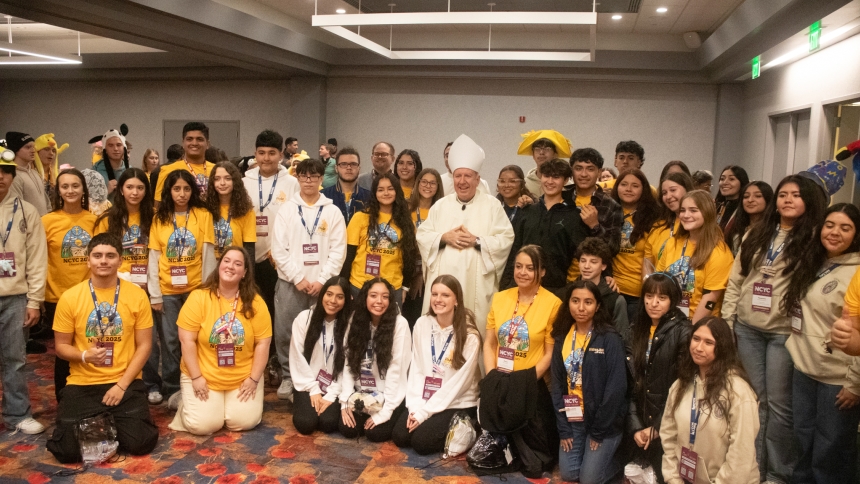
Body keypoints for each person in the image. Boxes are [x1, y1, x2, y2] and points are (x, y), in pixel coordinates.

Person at [723, 174, 825, 483]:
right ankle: (754, 467)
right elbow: (736, 281)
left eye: (796, 195)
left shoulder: (814, 238)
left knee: (780, 407)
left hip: (784, 332)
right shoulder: (756, 233)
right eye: (783, 194)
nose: (788, 200)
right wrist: (728, 320)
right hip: (747, 328)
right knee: (756, 401)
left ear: (808, 201)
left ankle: (777, 474)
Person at [46, 233, 158, 462]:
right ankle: (108, 423)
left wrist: (121, 385)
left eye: (110, 256)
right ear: (88, 261)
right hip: (83, 382)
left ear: (120, 261)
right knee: (65, 452)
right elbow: (61, 347)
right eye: (97, 256)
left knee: (141, 443)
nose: (103, 261)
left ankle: (100, 424)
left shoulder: (137, 296)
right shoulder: (70, 297)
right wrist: (84, 356)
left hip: (124, 381)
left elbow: (145, 345)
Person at [786, 204, 860, 484]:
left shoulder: (857, 272)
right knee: (802, 442)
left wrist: (855, 383)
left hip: (838, 378)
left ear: (856, 234)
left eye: (845, 228)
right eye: (830, 225)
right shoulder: (814, 261)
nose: (835, 232)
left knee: (830, 453)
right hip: (804, 369)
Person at [416, 134, 514, 334]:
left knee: (473, 332)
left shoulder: (492, 205)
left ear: (477, 179)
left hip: (476, 285)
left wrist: (477, 241)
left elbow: (506, 238)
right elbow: (423, 235)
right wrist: (444, 237)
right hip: (443, 282)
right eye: (457, 176)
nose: (462, 181)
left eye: (468, 176)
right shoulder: (440, 205)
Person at [169, 247, 271, 435]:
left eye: (238, 264)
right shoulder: (199, 297)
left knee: (243, 422)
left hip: (242, 377)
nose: (231, 266)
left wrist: (253, 379)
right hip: (204, 375)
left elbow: (263, 344)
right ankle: (184, 402)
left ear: (244, 273)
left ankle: (218, 406)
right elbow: (186, 340)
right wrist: (196, 378)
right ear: (219, 265)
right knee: (203, 425)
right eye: (227, 261)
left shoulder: (256, 302)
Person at [271, 158, 346, 402]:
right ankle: (288, 376)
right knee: (286, 332)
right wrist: (298, 277)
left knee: (320, 334)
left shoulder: (332, 212)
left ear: (321, 179)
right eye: (304, 176)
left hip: (322, 287)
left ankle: (316, 376)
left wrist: (323, 281)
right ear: (298, 178)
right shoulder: (287, 210)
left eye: (314, 176)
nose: (309, 180)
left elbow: (338, 251)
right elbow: (278, 249)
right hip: (291, 284)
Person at [660, 317, 759, 484]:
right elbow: (669, 438)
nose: (699, 348)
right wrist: (673, 479)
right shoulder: (680, 386)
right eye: (696, 339)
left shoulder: (738, 392)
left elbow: (741, 456)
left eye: (708, 342)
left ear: (722, 347)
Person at [147, 169, 216, 409]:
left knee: (197, 339)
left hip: (196, 289)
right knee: (170, 341)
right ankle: (172, 388)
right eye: (176, 189)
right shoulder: (159, 218)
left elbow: (208, 254)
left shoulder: (203, 215)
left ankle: (197, 383)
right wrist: (155, 294)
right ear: (169, 191)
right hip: (167, 291)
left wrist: (207, 290)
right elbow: (154, 258)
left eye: (186, 189)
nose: (182, 194)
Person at [393, 275, 481, 454]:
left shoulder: (469, 335)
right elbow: (417, 369)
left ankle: (469, 428)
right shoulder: (422, 324)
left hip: (456, 400)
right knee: (400, 436)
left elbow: (459, 384)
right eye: (434, 294)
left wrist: (424, 413)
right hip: (426, 396)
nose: (438, 299)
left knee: (421, 443)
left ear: (457, 300)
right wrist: (416, 407)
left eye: (445, 295)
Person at [94, 168, 161, 403]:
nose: (135, 192)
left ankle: (151, 383)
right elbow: (99, 253)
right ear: (121, 189)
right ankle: (122, 381)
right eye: (130, 187)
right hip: (118, 286)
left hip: (149, 286)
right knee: (120, 336)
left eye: (140, 188)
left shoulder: (156, 217)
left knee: (149, 339)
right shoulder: (107, 219)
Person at [550, 280, 627, 484]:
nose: (581, 308)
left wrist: (598, 431)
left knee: (589, 480)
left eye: (588, 302)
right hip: (573, 417)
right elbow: (557, 385)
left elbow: (616, 388)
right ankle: (591, 460)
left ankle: (625, 461)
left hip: (603, 421)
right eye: (575, 301)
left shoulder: (609, 338)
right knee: (569, 474)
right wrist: (564, 428)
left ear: (598, 306)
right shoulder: (562, 336)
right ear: (568, 303)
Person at [627, 273, 691, 483]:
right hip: (639, 420)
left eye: (662, 298)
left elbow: (683, 388)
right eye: (649, 296)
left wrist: (657, 428)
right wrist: (636, 426)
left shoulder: (684, 333)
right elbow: (630, 384)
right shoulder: (635, 329)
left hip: (669, 423)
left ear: (673, 300)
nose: (653, 303)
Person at [0, 156, 48, 434]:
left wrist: (34, 300)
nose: (0, 177)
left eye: (5, 172)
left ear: (12, 176)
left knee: (15, 360)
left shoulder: (26, 211)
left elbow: (37, 259)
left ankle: (17, 414)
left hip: (16, 298)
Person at [43, 168, 98, 398]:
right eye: (64, 186)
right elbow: (39, 259)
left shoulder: (94, 221)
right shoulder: (47, 221)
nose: (70, 190)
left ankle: (90, 397)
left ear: (83, 189)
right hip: (57, 297)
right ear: (58, 191)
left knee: (90, 346)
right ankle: (64, 399)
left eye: (75, 185)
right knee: (64, 352)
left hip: (90, 295)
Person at [338, 278, 412, 441]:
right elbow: (348, 361)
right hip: (362, 392)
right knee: (348, 429)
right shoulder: (356, 319)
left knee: (375, 434)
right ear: (365, 298)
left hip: (388, 395)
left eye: (385, 297)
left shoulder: (400, 324)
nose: (379, 301)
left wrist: (386, 411)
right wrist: (346, 401)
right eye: (373, 295)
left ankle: (393, 412)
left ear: (391, 300)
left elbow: (396, 370)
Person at [501, 158, 587, 294]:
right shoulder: (527, 211)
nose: (550, 181)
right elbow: (514, 250)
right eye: (546, 176)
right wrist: (506, 285)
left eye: (556, 177)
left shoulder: (574, 216)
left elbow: (580, 255)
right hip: (521, 286)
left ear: (565, 180)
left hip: (555, 289)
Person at [242, 130, 299, 326]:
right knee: (251, 307)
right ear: (255, 154)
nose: (266, 158)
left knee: (277, 310)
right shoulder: (243, 183)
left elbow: (296, 221)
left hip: (277, 258)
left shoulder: (292, 184)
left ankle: (275, 345)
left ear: (281, 155)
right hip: (249, 254)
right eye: (261, 153)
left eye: (272, 153)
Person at [656, 190, 734, 321]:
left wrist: (691, 329)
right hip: (668, 319)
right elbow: (659, 280)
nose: (686, 215)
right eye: (683, 210)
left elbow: (710, 299)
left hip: (699, 323)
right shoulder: (672, 243)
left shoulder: (719, 252)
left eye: (693, 210)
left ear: (707, 213)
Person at [343, 172, 418, 307]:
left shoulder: (406, 222)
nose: (386, 193)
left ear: (397, 191)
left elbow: (409, 257)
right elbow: (348, 255)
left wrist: (405, 287)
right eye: (381, 189)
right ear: (374, 193)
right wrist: (343, 285)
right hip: (359, 286)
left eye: (390, 189)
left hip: (392, 288)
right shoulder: (360, 217)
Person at [486, 245, 560, 377]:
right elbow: (490, 344)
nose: (522, 272)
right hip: (499, 377)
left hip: (531, 380)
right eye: (518, 266)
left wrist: (524, 382)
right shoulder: (499, 298)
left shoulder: (553, 304)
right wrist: (491, 376)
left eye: (530, 268)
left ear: (542, 271)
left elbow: (550, 354)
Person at [290, 276, 351, 435]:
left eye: (340, 297)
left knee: (328, 423)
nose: (333, 301)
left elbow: (348, 364)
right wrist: (313, 389)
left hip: (335, 385)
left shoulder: (349, 325)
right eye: (329, 294)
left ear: (346, 300)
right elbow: (297, 356)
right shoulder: (304, 318)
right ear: (322, 294)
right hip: (307, 382)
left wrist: (332, 394)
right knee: (305, 423)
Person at [564, 148, 623, 282]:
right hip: (560, 278)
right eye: (578, 168)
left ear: (599, 172)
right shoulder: (561, 197)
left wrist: (595, 226)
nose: (584, 174)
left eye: (590, 169)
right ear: (571, 171)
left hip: (594, 281)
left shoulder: (610, 205)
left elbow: (613, 249)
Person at [610, 169, 661, 324]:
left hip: (639, 294)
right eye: (624, 184)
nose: (628, 189)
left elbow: (651, 258)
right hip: (613, 290)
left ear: (643, 189)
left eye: (635, 186)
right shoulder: (608, 211)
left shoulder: (654, 217)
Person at [402, 168, 444, 327]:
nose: (428, 186)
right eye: (424, 182)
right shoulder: (405, 208)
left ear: (438, 186)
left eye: (433, 183)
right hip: (403, 270)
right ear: (417, 183)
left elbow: (439, 245)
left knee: (420, 318)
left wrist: (421, 274)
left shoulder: (441, 212)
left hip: (428, 272)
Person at [576, 237, 629, 338]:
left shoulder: (616, 300)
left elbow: (622, 337)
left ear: (603, 266)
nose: (586, 266)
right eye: (583, 261)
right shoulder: (567, 293)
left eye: (593, 262)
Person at [643, 172, 694, 275]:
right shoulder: (657, 227)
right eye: (664, 193)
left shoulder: (697, 226)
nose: (668, 196)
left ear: (687, 189)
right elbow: (647, 262)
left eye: (673, 190)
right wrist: (647, 281)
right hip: (658, 283)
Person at [205, 162, 257, 261]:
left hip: (233, 264)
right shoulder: (205, 209)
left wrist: (248, 270)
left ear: (235, 181)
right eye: (217, 179)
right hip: (210, 264)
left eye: (227, 178)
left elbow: (249, 248)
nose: (222, 183)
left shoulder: (246, 211)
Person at [155, 122, 214, 203]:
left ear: (207, 144)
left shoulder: (217, 170)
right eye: (189, 139)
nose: (194, 143)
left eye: (199, 139)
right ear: (183, 143)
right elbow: (159, 205)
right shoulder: (168, 170)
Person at [321, 147, 371, 227]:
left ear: (359, 168)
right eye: (343, 164)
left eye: (353, 164)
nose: (349, 168)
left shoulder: (370, 197)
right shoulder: (323, 196)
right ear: (336, 168)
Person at [516, 129, 573, 197]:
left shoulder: (567, 185)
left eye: (547, 149)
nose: (541, 153)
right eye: (537, 149)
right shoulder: (525, 184)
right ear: (533, 155)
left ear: (555, 154)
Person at [6, 131, 50, 216]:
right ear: (16, 150)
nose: (33, 151)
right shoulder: (14, 176)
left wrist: (50, 218)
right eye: (28, 147)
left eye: (33, 147)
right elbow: (17, 209)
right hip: (30, 223)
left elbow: (46, 202)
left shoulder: (34, 173)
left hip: (45, 222)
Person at [724, 181, 773, 255]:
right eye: (746, 196)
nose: (750, 200)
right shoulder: (736, 227)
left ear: (768, 199)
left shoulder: (773, 230)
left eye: (758, 196)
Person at [93, 129, 130, 198]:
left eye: (119, 145)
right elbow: (90, 199)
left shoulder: (130, 171)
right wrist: (106, 191)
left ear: (124, 148)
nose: (115, 149)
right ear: (105, 149)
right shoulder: (95, 171)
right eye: (110, 145)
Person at [714, 165, 750, 232]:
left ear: (742, 182)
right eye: (722, 179)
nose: (725, 183)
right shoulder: (718, 207)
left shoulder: (746, 209)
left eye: (731, 179)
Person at [34, 133, 68, 202]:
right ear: (37, 152)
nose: (51, 153)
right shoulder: (30, 174)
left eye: (54, 151)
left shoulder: (59, 175)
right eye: (46, 149)